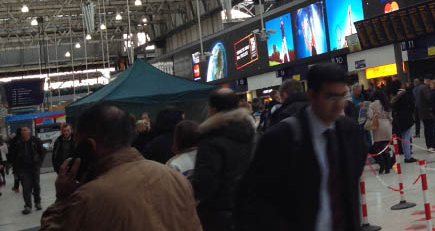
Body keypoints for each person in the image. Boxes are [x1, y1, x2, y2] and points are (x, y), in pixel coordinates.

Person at [235, 63, 368, 231]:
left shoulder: (350, 133)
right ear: (311, 95)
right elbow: (252, 201)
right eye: (331, 97)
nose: (339, 105)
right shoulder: (281, 139)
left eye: (343, 96)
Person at [40, 102, 202, 230]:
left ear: (89, 145)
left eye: (78, 144)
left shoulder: (88, 198)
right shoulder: (176, 179)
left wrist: (62, 200)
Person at [193, 88, 256, 231]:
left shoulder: (210, 139)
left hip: (219, 216)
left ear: (212, 109)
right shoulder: (252, 134)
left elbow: (205, 183)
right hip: (250, 209)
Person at [8, 125, 45, 213]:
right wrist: (15, 168)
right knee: (26, 187)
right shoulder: (17, 143)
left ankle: (37, 202)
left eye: (25, 130)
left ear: (29, 131)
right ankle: (28, 206)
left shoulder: (36, 140)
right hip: (23, 169)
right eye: (22, 130)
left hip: (34, 167)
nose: (23, 132)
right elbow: (12, 155)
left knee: (36, 185)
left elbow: (42, 151)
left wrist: (39, 162)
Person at [367, 89, 395, 174]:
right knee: (385, 147)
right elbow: (390, 117)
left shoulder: (372, 104)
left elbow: (370, 115)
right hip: (387, 126)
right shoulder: (387, 104)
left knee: (377, 148)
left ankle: (382, 165)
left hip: (378, 126)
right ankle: (387, 167)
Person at [390, 79, 418, 163]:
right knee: (406, 137)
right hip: (406, 118)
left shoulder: (393, 95)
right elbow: (412, 104)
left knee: (402, 137)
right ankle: (408, 156)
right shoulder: (404, 94)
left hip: (398, 119)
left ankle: (406, 154)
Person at [416, 77, 435, 150]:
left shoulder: (419, 88)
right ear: (428, 81)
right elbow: (429, 98)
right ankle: (431, 145)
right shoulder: (425, 88)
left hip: (422, 112)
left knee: (427, 128)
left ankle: (429, 145)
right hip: (427, 112)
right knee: (430, 129)